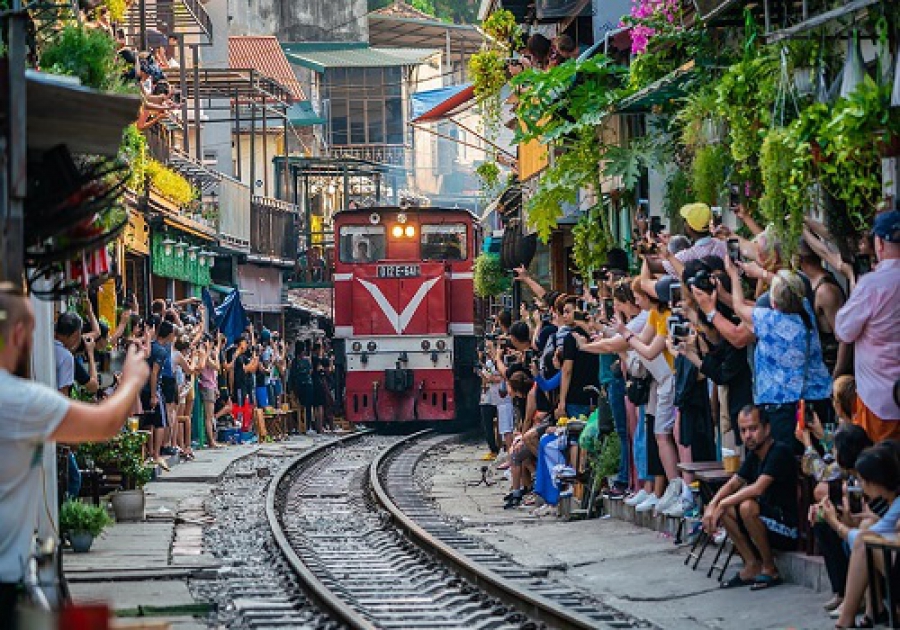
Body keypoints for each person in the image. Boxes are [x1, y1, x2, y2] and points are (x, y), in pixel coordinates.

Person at [0, 285, 149, 612]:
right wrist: (132, 380)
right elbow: (105, 423)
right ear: (19, 334)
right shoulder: (21, 399)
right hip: (7, 577)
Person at [725, 259, 832, 453]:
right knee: (817, 456)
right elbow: (792, 290)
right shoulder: (805, 311)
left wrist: (733, 275)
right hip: (815, 397)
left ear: (773, 302)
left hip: (782, 404)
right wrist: (762, 273)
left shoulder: (769, 320)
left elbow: (738, 306)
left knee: (788, 462)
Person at [704, 405, 799, 590]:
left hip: (786, 528)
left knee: (746, 507)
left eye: (753, 429)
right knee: (727, 510)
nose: (748, 435)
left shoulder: (779, 451)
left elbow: (757, 489)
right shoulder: (753, 454)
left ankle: (770, 568)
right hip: (764, 522)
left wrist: (722, 502)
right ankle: (752, 565)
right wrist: (713, 504)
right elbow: (734, 483)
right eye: (743, 430)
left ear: (767, 428)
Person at [834, 210, 900, 442]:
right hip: (886, 397)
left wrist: (856, 287)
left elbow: (843, 330)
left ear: (879, 244)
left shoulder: (872, 285)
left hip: (879, 400)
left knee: (879, 470)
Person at [821, 444, 900, 629]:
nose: (859, 485)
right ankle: (873, 609)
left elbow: (863, 538)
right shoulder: (889, 502)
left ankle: (846, 620)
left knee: (864, 542)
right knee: (866, 528)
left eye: (862, 480)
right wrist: (848, 520)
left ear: (876, 481)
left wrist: (836, 524)